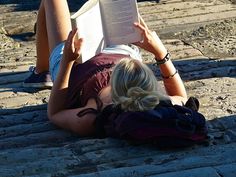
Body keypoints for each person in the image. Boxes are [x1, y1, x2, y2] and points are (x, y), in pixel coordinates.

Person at [23, 0, 187, 136]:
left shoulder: (93, 116)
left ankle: (41, 71)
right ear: (149, 86)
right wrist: (160, 52)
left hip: (76, 62)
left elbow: (54, 114)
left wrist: (67, 61)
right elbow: (181, 96)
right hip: (120, 50)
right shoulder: (154, 102)